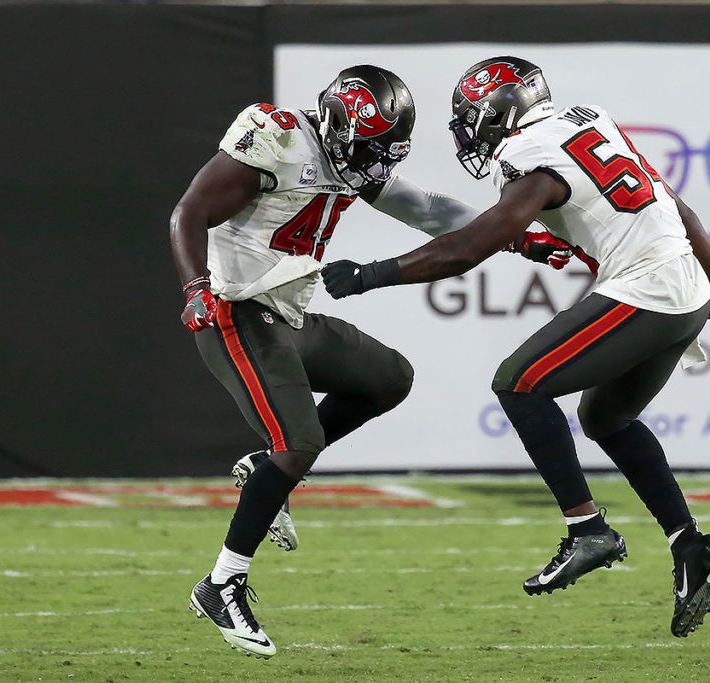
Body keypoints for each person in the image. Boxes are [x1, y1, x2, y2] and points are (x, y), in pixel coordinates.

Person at [322, 56, 710, 637]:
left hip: (648, 287)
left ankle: (587, 529)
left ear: (499, 110)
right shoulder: (589, 121)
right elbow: (678, 208)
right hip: (684, 286)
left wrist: (372, 274)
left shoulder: (530, 156)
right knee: (607, 418)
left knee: (518, 383)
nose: (470, 129)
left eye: (473, 116)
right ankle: (690, 543)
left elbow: (469, 247)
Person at [170, 64, 573, 657]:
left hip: (289, 315)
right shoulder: (277, 137)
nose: (375, 163)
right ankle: (223, 581)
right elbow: (188, 213)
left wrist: (520, 235)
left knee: (388, 378)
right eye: (369, 147)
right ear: (337, 124)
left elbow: (429, 209)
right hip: (239, 311)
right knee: (298, 447)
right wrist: (195, 287)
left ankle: (266, 474)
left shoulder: (351, 156)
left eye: (386, 151)